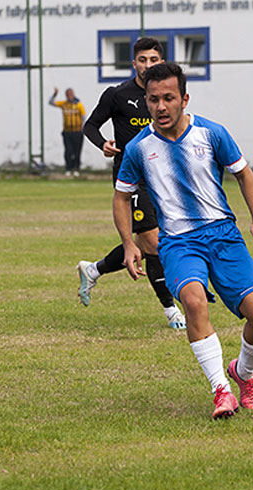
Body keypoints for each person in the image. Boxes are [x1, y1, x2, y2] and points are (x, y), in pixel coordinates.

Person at [113, 62, 253, 419]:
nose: (160, 106)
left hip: (222, 234)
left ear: (184, 99)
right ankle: (221, 389)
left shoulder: (212, 133)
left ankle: (243, 373)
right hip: (178, 241)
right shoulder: (139, 149)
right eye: (153, 99)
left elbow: (244, 174)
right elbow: (122, 196)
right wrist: (129, 243)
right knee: (193, 301)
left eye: (168, 98)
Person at [79, 37, 186, 330]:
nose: (147, 65)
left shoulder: (169, 95)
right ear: (134, 63)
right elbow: (90, 125)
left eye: (153, 60)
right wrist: (103, 144)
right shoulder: (117, 94)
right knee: (152, 242)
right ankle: (171, 310)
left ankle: (93, 270)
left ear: (161, 62)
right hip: (132, 178)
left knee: (145, 242)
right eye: (142, 60)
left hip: (162, 178)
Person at [49, 87, 86, 176]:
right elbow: (51, 102)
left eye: (71, 94)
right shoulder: (64, 104)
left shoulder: (78, 105)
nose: (70, 96)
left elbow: (84, 116)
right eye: (68, 95)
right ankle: (68, 168)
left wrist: (83, 128)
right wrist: (54, 94)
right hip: (67, 132)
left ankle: (76, 168)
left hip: (77, 131)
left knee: (77, 151)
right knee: (68, 151)